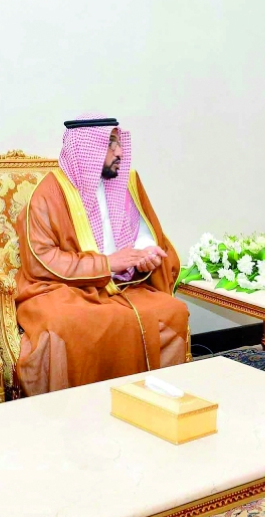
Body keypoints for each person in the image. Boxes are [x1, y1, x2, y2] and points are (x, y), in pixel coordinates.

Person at [14, 115, 189, 394]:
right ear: (87, 148)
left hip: (122, 284)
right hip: (63, 287)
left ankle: (152, 397)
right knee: (62, 323)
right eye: (110, 144)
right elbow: (41, 258)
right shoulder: (48, 193)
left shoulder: (126, 183)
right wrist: (107, 264)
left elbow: (143, 231)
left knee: (172, 311)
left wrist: (146, 252)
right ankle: (72, 406)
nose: (119, 152)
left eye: (119, 143)